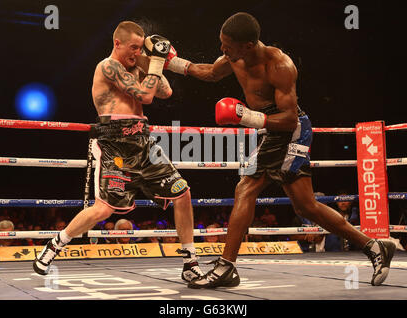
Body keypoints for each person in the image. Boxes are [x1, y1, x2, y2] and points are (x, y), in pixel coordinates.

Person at [164, 12, 396, 288]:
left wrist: (245, 117)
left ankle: (226, 267)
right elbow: (212, 73)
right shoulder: (234, 58)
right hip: (269, 129)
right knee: (306, 206)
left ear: (248, 46)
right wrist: (172, 63)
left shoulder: (279, 65)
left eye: (227, 45)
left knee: (246, 187)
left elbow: (289, 119)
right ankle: (374, 247)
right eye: (221, 43)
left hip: (289, 129)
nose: (222, 50)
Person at [33, 21, 203, 283]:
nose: (136, 52)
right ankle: (55, 245)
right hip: (114, 143)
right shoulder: (108, 66)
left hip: (143, 141)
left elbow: (165, 91)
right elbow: (145, 97)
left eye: (140, 48)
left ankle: (190, 262)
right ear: (117, 43)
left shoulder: (137, 66)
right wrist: (156, 63)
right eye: (133, 47)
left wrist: (151, 59)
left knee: (183, 193)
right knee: (103, 209)